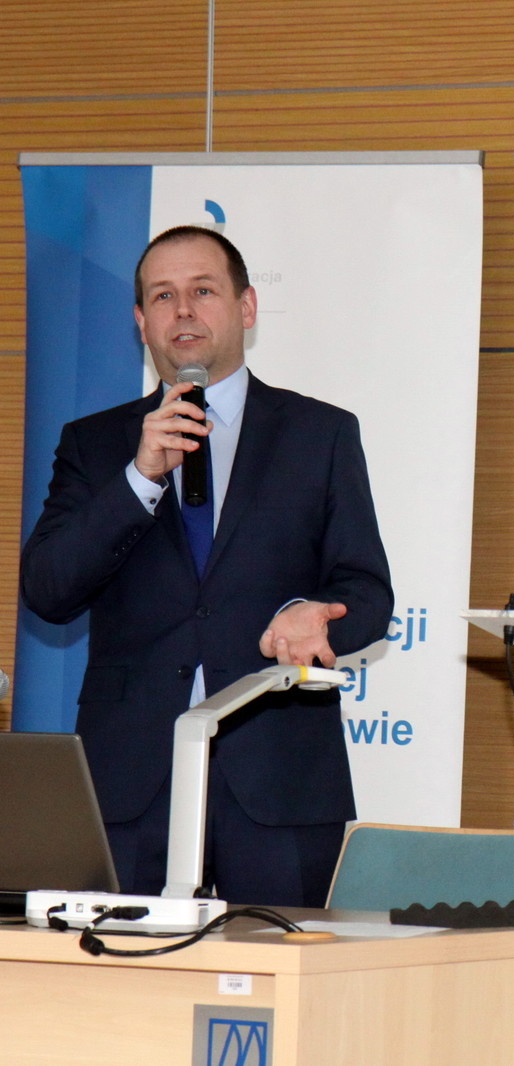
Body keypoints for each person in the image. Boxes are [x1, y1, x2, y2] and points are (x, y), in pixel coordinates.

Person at [21, 225, 393, 907]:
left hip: (279, 774)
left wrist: (310, 615)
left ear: (246, 307)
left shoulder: (321, 434)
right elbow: (47, 589)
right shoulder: (95, 444)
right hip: (131, 780)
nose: (183, 310)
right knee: (122, 968)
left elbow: (367, 593)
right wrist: (139, 478)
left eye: (203, 291)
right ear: (141, 322)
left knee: (280, 966)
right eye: (163, 296)